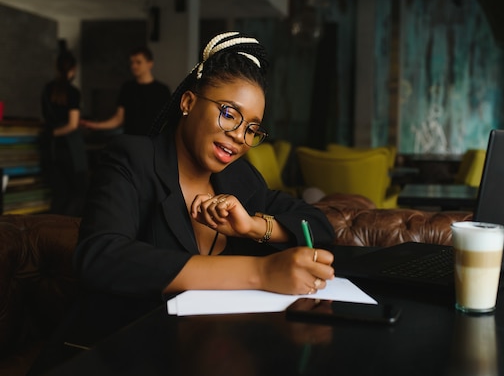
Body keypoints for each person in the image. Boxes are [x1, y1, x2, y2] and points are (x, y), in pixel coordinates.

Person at [73, 32, 336, 300]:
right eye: (229, 114)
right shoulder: (133, 159)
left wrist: (253, 227)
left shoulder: (241, 179)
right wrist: (261, 271)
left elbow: (319, 225)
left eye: (251, 128)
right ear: (188, 102)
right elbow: (100, 258)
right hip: (136, 335)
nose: (238, 135)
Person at [81, 46, 171, 135]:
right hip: (131, 140)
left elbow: (167, 121)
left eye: (138, 62)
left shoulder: (162, 90)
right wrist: (95, 125)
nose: (134, 66)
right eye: (132, 62)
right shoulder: (127, 87)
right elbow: (119, 119)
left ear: (150, 64)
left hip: (152, 141)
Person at [40, 51, 88, 216]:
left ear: (56, 68)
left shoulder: (47, 90)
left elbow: (46, 119)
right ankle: (68, 234)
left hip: (50, 149)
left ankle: (50, 234)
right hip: (70, 149)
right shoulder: (73, 92)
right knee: (79, 192)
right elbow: (72, 125)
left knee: (59, 195)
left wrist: (51, 133)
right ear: (73, 69)